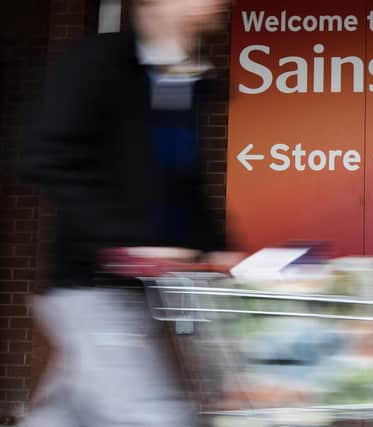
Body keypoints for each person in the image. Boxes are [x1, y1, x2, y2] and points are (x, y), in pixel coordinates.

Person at [20, 0, 236, 425]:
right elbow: (46, 158)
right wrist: (123, 239)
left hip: (141, 291)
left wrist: (219, 248)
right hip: (91, 284)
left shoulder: (184, 78)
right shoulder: (97, 63)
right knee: (156, 417)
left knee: (68, 414)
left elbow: (183, 185)